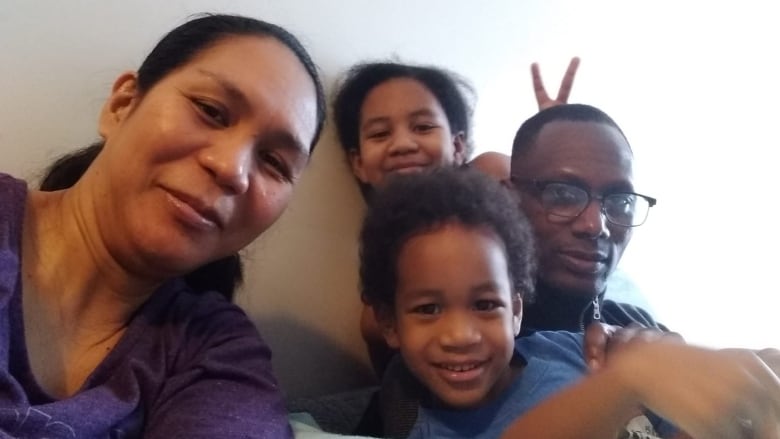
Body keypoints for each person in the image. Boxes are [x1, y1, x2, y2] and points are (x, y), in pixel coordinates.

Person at [0, 13, 325, 438]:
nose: (231, 169)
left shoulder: (219, 351)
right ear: (122, 106)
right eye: (210, 111)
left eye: (274, 162)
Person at [359, 167, 780, 439]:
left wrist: (742, 388)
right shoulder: (423, 428)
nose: (460, 335)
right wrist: (625, 381)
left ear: (518, 308)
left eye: (486, 304)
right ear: (390, 323)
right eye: (429, 309)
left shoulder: (568, 349)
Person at [332, 57, 580, 375]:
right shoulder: (381, 303)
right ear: (358, 163)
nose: (403, 144)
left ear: (458, 145)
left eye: (423, 127)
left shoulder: (494, 176)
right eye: (380, 134)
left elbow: (555, 203)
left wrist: (552, 140)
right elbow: (393, 388)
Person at [508, 103, 666, 338]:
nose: (595, 226)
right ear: (508, 199)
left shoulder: (640, 329)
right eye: (564, 195)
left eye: (621, 201)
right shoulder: (473, 346)